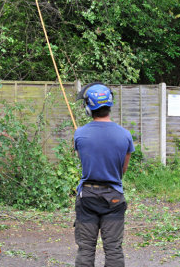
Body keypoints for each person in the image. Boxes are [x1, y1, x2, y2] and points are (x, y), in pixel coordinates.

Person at [74, 82, 135, 267]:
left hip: (88, 197)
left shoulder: (79, 134)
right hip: (114, 198)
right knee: (114, 248)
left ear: (88, 108)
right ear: (110, 104)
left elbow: (84, 160)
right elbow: (122, 170)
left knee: (85, 248)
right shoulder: (125, 135)